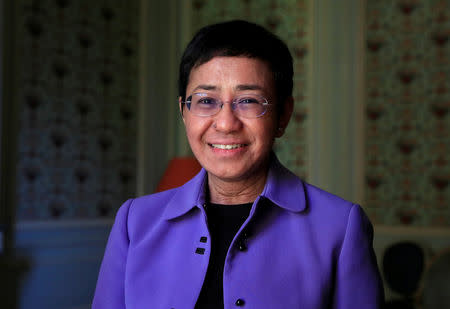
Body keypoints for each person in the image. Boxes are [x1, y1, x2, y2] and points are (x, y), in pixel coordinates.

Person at [92, 20, 384, 309]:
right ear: (184, 112)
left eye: (248, 101)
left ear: (283, 115)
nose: (226, 123)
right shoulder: (135, 222)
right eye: (206, 100)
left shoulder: (340, 227)